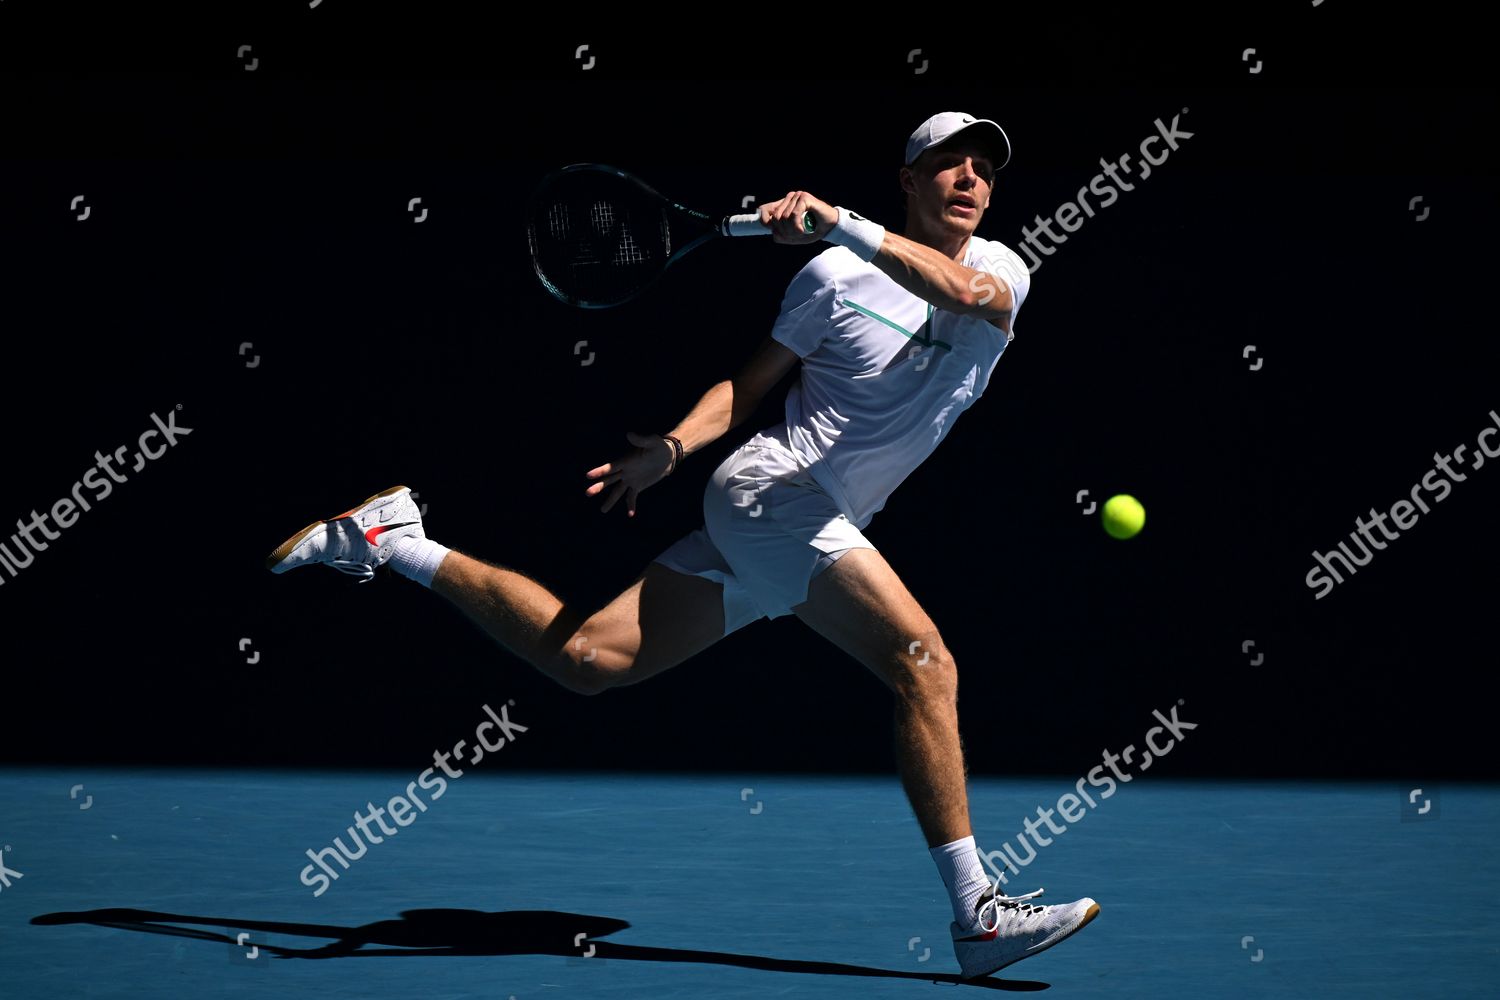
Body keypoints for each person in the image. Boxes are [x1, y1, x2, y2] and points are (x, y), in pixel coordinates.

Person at [266, 111, 1098, 978]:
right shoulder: (829, 277)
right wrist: (671, 446)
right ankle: (977, 915)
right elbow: (749, 386)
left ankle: (395, 540)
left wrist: (847, 220)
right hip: (773, 493)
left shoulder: (1001, 268)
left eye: (984, 170)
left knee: (587, 659)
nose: (970, 180)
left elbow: (961, 297)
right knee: (923, 661)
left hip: (811, 521)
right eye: (948, 164)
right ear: (909, 179)